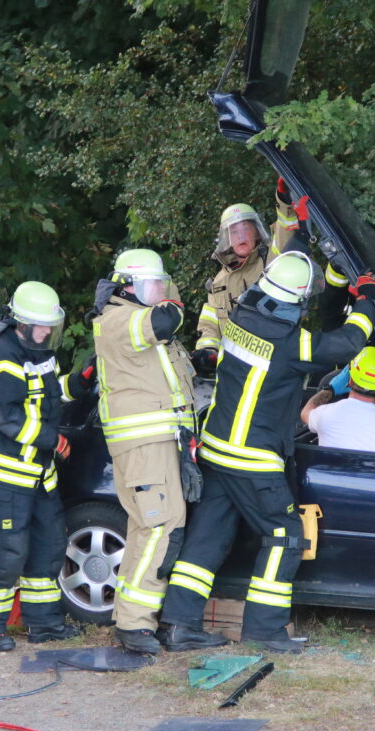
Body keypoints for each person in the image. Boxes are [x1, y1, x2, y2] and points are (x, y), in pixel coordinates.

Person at [159, 248, 375, 654]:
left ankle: (178, 625)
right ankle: (264, 630)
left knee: (206, 540)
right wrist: (366, 298)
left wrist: (336, 281)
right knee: (285, 535)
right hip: (253, 459)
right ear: (295, 302)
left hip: (216, 449)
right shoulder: (291, 343)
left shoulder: (238, 320)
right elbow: (348, 341)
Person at [90, 249, 225, 654]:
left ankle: (130, 618)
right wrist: (179, 298)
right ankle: (135, 625)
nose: (161, 292)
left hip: (160, 444)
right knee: (163, 528)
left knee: (146, 531)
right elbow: (167, 319)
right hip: (145, 446)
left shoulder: (138, 322)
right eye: (154, 284)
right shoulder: (120, 319)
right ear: (127, 285)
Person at [0, 281, 93, 652]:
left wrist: (80, 381)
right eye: (39, 326)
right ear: (19, 322)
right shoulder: (1, 357)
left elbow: (52, 396)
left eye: (49, 327)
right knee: (9, 551)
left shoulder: (39, 352)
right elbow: (7, 417)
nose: (45, 333)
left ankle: (44, 623)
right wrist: (50, 440)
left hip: (39, 475)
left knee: (49, 545)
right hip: (4, 476)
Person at [191, 178, 307, 373]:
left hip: (276, 362)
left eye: (246, 228)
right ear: (227, 238)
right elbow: (209, 324)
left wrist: (284, 199)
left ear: (257, 232)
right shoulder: (218, 282)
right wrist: (207, 350)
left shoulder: (274, 257)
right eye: (234, 231)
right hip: (235, 369)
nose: (241, 235)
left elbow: (286, 229)